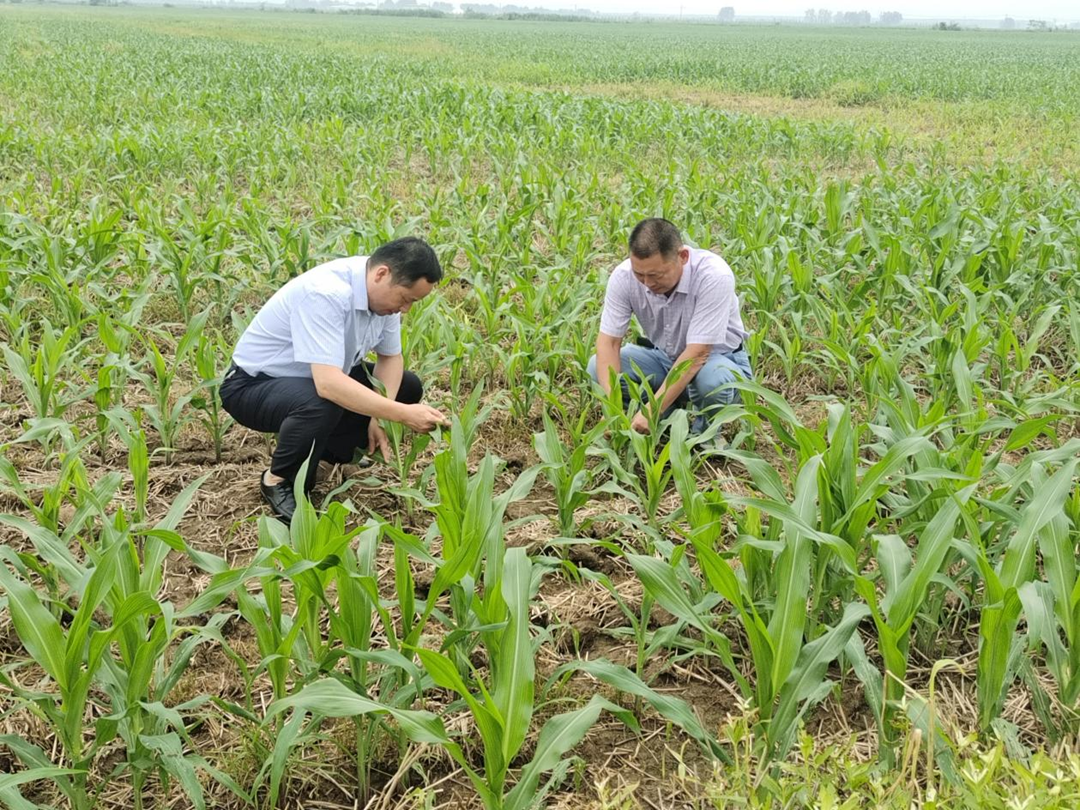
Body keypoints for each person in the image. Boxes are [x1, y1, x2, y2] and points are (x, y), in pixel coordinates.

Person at [220, 237, 448, 524]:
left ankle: (326, 458)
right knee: (322, 402)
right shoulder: (326, 293)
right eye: (405, 299)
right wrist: (400, 414)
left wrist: (379, 417)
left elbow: (390, 359)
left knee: (407, 386)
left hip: (313, 378)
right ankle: (277, 480)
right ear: (382, 274)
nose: (405, 310)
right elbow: (327, 384)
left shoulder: (384, 299)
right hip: (253, 385)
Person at [588, 218, 751, 434]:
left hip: (717, 361)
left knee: (712, 382)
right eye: (640, 274)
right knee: (595, 367)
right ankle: (662, 418)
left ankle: (704, 438)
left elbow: (698, 354)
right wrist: (612, 406)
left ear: (682, 257)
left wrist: (652, 410)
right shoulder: (624, 276)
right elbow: (608, 343)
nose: (646, 283)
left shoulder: (713, 275)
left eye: (656, 275)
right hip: (665, 359)